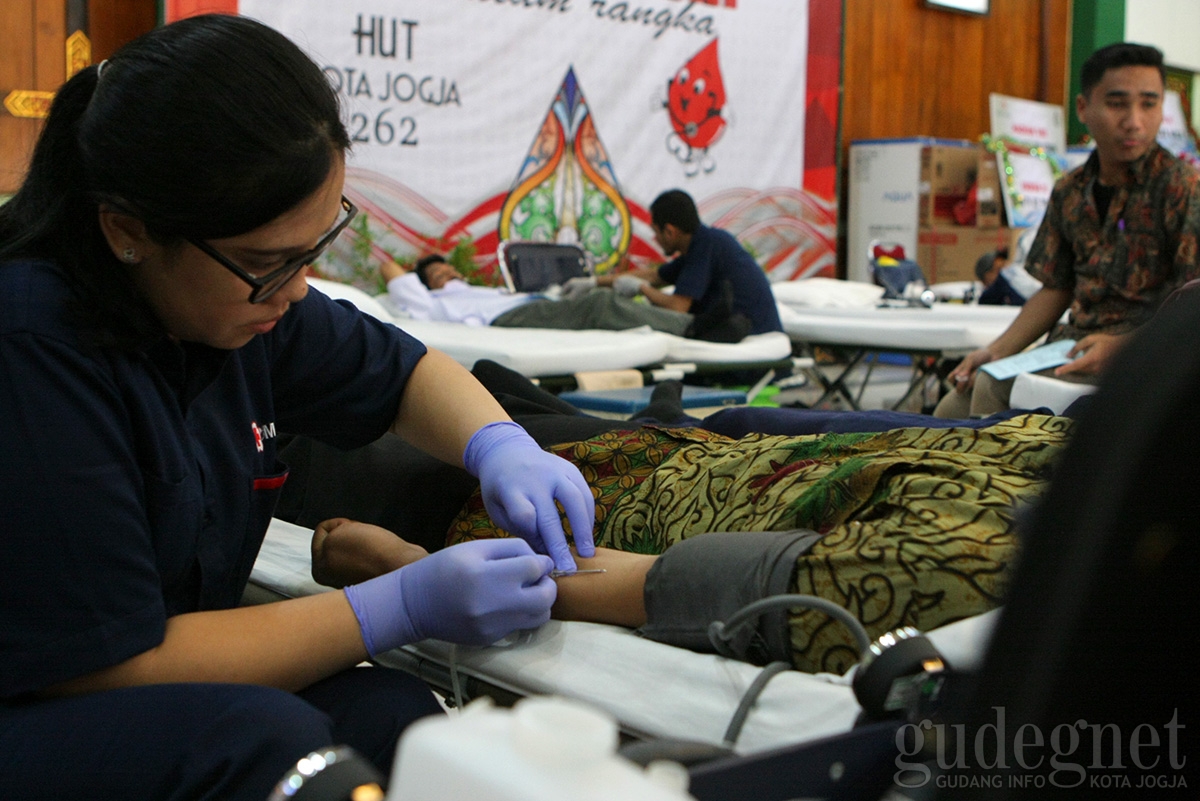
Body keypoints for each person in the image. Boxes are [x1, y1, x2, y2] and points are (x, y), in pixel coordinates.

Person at [0, 15, 597, 801]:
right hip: (39, 704)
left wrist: (500, 443)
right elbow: (111, 665)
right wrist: (401, 603)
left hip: (137, 686)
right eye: (267, 264)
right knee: (271, 747)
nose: (296, 292)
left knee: (395, 719)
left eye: (313, 252)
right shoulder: (33, 344)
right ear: (128, 231)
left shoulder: (234, 307)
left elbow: (406, 373)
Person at [274, 359, 1073, 676]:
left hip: (521, 512)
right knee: (473, 392)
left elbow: (627, 584)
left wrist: (406, 574)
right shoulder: (1069, 450)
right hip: (642, 453)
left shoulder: (951, 571)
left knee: (283, 445)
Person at [935, 42, 1200, 418]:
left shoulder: (1183, 189)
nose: (1134, 120)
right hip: (1074, 348)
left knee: (991, 394)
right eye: (1117, 103)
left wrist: (1122, 347)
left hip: (1149, 356)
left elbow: (1192, 306)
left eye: (1149, 103)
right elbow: (1056, 288)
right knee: (950, 409)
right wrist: (997, 350)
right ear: (1083, 108)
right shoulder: (1070, 190)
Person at [570, 189, 784, 341]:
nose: (655, 239)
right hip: (742, 329)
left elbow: (677, 308)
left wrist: (641, 290)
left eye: (655, 232)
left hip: (750, 335)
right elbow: (654, 276)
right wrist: (593, 282)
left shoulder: (706, 247)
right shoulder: (705, 243)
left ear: (670, 231)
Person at [381, 253, 697, 336]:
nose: (447, 273)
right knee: (600, 305)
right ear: (426, 285)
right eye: (437, 275)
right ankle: (695, 328)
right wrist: (423, 278)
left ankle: (688, 319)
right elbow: (388, 268)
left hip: (538, 304)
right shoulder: (430, 302)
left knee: (609, 295)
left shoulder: (483, 290)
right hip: (506, 320)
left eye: (449, 269)